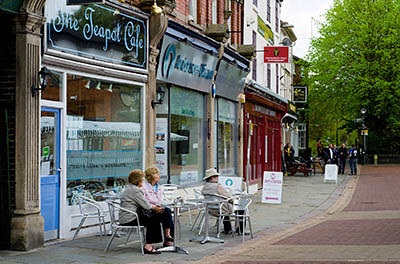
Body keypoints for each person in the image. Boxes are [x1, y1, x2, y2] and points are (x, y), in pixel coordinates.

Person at [119, 170, 173, 254]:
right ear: (138, 180)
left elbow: (145, 205)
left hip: (131, 215)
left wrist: (156, 208)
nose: (143, 181)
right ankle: (148, 246)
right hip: (130, 218)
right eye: (142, 179)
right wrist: (155, 208)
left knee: (165, 211)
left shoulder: (130, 188)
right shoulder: (135, 190)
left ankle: (167, 237)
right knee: (153, 218)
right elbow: (146, 206)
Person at [142, 167, 174, 240]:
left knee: (167, 211)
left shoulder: (159, 186)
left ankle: (168, 234)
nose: (159, 176)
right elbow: (143, 201)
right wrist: (154, 208)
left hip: (157, 208)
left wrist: (160, 207)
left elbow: (161, 200)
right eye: (157, 174)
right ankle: (167, 238)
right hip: (148, 210)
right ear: (152, 176)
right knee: (159, 216)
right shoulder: (144, 187)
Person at [201, 168, 234, 234]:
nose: (217, 177)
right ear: (212, 177)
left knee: (224, 208)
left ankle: (228, 229)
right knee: (240, 208)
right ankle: (239, 230)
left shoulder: (205, 187)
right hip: (220, 209)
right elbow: (228, 196)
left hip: (209, 209)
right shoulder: (218, 186)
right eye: (216, 176)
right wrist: (232, 201)